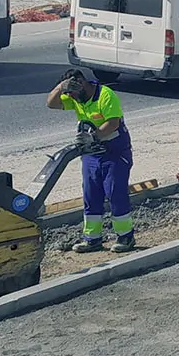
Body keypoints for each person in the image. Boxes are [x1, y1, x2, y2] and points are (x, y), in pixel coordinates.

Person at [46, 68, 136, 253]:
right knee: (91, 195)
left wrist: (94, 136)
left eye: (72, 92)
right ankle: (92, 239)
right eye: (68, 93)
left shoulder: (105, 95)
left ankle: (126, 237)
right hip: (92, 154)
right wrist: (60, 88)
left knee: (115, 193)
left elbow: (113, 123)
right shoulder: (75, 96)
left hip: (115, 153)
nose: (70, 97)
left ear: (81, 82)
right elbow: (51, 103)